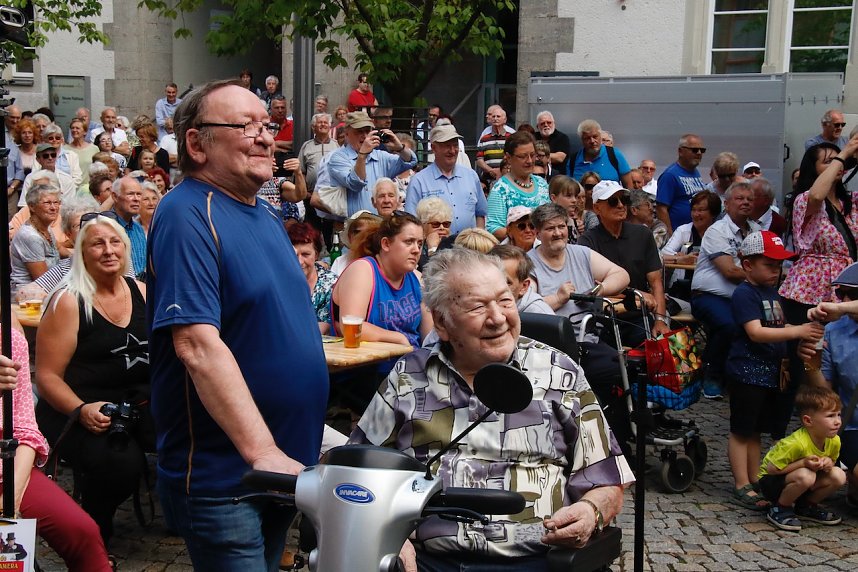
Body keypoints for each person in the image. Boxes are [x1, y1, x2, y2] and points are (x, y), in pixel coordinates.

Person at [350, 248, 634, 570]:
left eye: (505, 300)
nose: (498, 318)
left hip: (539, 560)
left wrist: (590, 512)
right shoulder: (408, 378)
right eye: (478, 306)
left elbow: (607, 480)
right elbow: (358, 469)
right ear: (442, 323)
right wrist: (390, 536)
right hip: (429, 560)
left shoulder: (558, 372)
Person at [147, 80, 328, 570]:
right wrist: (262, 451)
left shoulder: (266, 216)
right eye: (245, 126)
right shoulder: (187, 214)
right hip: (229, 478)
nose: (266, 137)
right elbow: (196, 345)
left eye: (266, 125)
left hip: (280, 468)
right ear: (195, 144)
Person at [35, 214, 153, 545]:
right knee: (120, 465)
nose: (108, 250)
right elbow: (46, 377)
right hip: (78, 409)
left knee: (192, 436)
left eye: (115, 242)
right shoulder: (69, 301)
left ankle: (182, 515)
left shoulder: (142, 291)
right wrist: (82, 409)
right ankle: (93, 524)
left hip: (138, 401)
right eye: (97, 243)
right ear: (82, 252)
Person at [726, 231, 824, 512]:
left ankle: (756, 478)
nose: (776, 271)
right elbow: (756, 332)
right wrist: (798, 331)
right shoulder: (745, 293)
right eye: (769, 265)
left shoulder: (774, 293)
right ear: (747, 265)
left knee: (757, 429)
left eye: (779, 265)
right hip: (746, 372)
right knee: (741, 430)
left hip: (769, 373)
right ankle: (741, 482)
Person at [0, 330, 112, 571]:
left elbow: (25, 429)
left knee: (82, 533)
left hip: (7, 468)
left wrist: (10, 500)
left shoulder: (8, 341)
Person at [330, 212, 433, 358]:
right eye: (409, 242)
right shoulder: (363, 270)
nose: (416, 250)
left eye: (420, 243)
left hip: (410, 367)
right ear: (386, 244)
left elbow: (429, 337)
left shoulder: (417, 279)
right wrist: (398, 338)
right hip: (366, 369)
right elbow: (350, 326)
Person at [691, 181, 760, 399]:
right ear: (727, 204)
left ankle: (750, 376)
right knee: (730, 324)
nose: (746, 202)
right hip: (709, 296)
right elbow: (729, 271)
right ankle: (712, 375)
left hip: (746, 295)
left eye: (750, 199)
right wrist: (762, 277)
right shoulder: (717, 231)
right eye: (740, 198)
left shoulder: (758, 231)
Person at [579, 181, 670, 344]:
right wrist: (636, 294)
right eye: (613, 201)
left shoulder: (643, 234)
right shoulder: (587, 241)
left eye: (624, 200)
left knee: (656, 349)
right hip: (604, 317)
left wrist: (660, 320)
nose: (621, 205)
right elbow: (594, 288)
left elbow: (656, 282)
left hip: (638, 315)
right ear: (597, 208)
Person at [802, 262, 858, 507]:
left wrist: (836, 306)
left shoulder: (838, 312)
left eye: (853, 295)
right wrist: (809, 363)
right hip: (853, 425)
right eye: (840, 293)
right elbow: (826, 395)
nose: (845, 299)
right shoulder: (834, 332)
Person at [758, 387, 846, 531]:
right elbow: (771, 469)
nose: (837, 421)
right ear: (808, 421)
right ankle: (780, 508)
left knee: (839, 475)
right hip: (771, 482)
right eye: (830, 416)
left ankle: (806, 507)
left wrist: (828, 463)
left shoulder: (834, 440)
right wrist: (803, 463)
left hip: (802, 481)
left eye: (839, 415)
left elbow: (832, 463)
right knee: (806, 475)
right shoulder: (796, 443)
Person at [328, 111, 416, 216]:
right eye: (359, 132)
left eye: (367, 131)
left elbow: (410, 161)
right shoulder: (338, 157)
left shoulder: (380, 156)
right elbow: (355, 183)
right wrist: (362, 155)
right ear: (346, 134)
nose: (364, 136)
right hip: (356, 226)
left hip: (381, 224)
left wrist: (399, 147)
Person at [405, 123, 486, 234]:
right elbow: (411, 222)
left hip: (469, 249)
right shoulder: (419, 181)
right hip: (436, 249)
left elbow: (480, 214)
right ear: (434, 148)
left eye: (455, 145)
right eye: (447, 146)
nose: (452, 151)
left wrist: (478, 241)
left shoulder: (471, 176)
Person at [485, 131, 550, 240]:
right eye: (523, 156)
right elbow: (493, 229)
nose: (529, 161)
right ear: (508, 158)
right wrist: (523, 233)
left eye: (532, 155)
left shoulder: (542, 183)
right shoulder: (501, 190)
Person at [660, 190, 721, 302]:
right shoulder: (684, 230)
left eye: (701, 210)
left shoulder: (721, 233)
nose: (695, 214)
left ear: (713, 213)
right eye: (693, 210)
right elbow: (662, 255)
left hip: (711, 288)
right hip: (683, 287)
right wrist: (680, 259)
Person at [10, 184, 60, 296]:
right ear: (32, 207)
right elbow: (44, 280)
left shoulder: (46, 228)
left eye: (56, 202)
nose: (54, 207)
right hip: (28, 299)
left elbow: (62, 250)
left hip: (46, 292)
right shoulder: (30, 236)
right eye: (47, 203)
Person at [287, 223, 337, 334]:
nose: (299, 261)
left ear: (317, 255)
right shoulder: (277, 281)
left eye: (305, 254)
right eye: (293, 254)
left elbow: (327, 325)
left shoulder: (331, 283)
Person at [656, 133, 708, 234]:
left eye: (702, 150)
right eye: (694, 150)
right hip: (679, 236)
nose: (699, 153)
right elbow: (661, 209)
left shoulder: (695, 172)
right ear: (680, 151)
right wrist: (670, 238)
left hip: (696, 234)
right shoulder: (670, 175)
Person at [490, 243, 554, 315]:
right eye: (489, 281)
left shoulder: (542, 317)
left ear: (524, 286)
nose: (496, 288)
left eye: (506, 282)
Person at [571, 119, 632, 188]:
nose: (592, 141)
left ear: (600, 136)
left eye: (595, 136)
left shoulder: (614, 155)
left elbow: (629, 186)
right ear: (582, 140)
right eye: (587, 138)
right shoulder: (573, 160)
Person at [108, 176, 147, 278]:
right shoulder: (107, 228)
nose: (136, 199)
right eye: (130, 194)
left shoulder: (138, 229)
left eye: (139, 194)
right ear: (115, 197)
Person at [330, 209, 382, 276]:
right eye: (358, 232)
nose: (363, 236)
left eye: (369, 232)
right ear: (349, 236)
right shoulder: (340, 262)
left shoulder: (383, 261)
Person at [415, 196, 453, 267]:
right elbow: (428, 272)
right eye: (436, 224)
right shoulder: (415, 246)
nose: (442, 228)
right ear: (423, 225)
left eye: (446, 224)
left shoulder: (455, 246)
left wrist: (433, 249)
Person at [548, 175, 585, 243]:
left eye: (576, 196)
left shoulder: (576, 224)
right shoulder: (545, 224)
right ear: (554, 198)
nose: (574, 200)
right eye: (568, 196)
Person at [65, 117, 100, 190]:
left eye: (77, 128)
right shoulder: (65, 149)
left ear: (85, 132)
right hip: (71, 188)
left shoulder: (94, 149)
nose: (74, 130)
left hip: (89, 189)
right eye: (72, 128)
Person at [534, 110, 571, 175]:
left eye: (549, 122)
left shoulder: (562, 138)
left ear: (554, 124)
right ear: (537, 127)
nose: (546, 125)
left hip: (557, 177)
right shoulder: (532, 137)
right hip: (534, 174)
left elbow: (560, 158)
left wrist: (536, 156)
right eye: (542, 123)